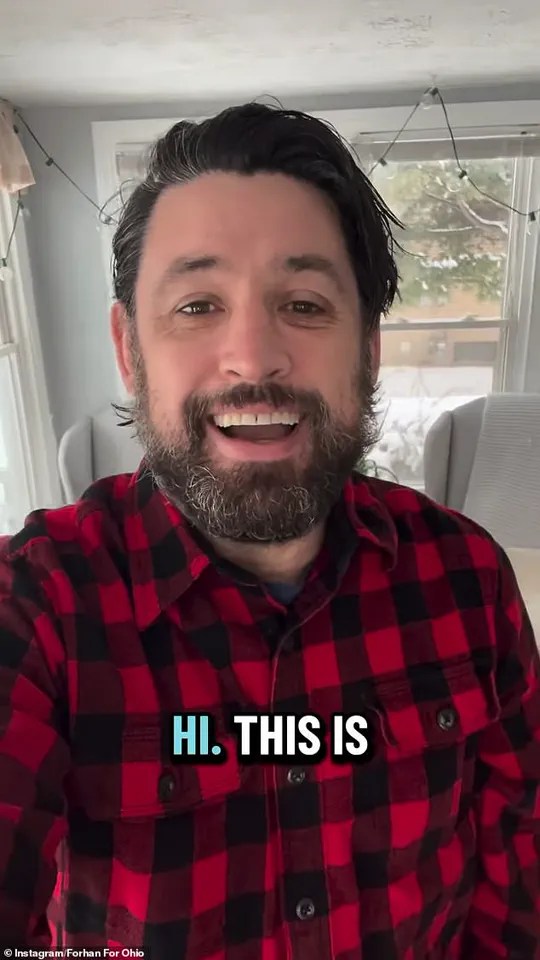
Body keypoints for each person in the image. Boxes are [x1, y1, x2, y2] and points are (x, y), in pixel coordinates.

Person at [0, 103, 539, 960]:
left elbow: (519, 898)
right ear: (130, 350)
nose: (253, 358)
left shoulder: (468, 579)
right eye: (197, 304)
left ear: (368, 349)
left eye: (304, 303)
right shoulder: (35, 606)